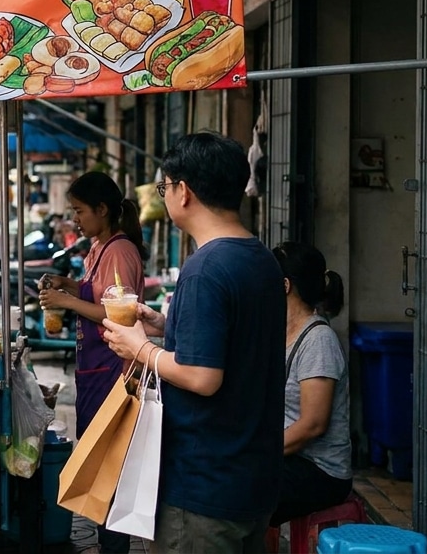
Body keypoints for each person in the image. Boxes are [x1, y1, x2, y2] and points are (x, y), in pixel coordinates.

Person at [102, 133, 285, 552]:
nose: (164, 196)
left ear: (183, 191)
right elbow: (237, 342)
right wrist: (167, 327)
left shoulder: (206, 268)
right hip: (252, 475)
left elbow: (203, 377)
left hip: (205, 484)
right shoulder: (259, 257)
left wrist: (140, 349)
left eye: (164, 187)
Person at [38, 171, 147, 554]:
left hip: (114, 372)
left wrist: (68, 302)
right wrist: (70, 287)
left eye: (81, 211)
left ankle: (114, 547)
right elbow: (99, 294)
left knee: (110, 471)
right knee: (101, 467)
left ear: (103, 209)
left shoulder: (119, 250)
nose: (76, 219)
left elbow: (120, 313)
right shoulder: (99, 247)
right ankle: (107, 544)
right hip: (94, 370)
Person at [271, 242, 351, 526]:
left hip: (321, 473)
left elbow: (313, 424)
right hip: (292, 459)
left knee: (242, 492)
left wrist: (260, 451)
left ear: (284, 285)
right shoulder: (282, 330)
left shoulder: (318, 340)